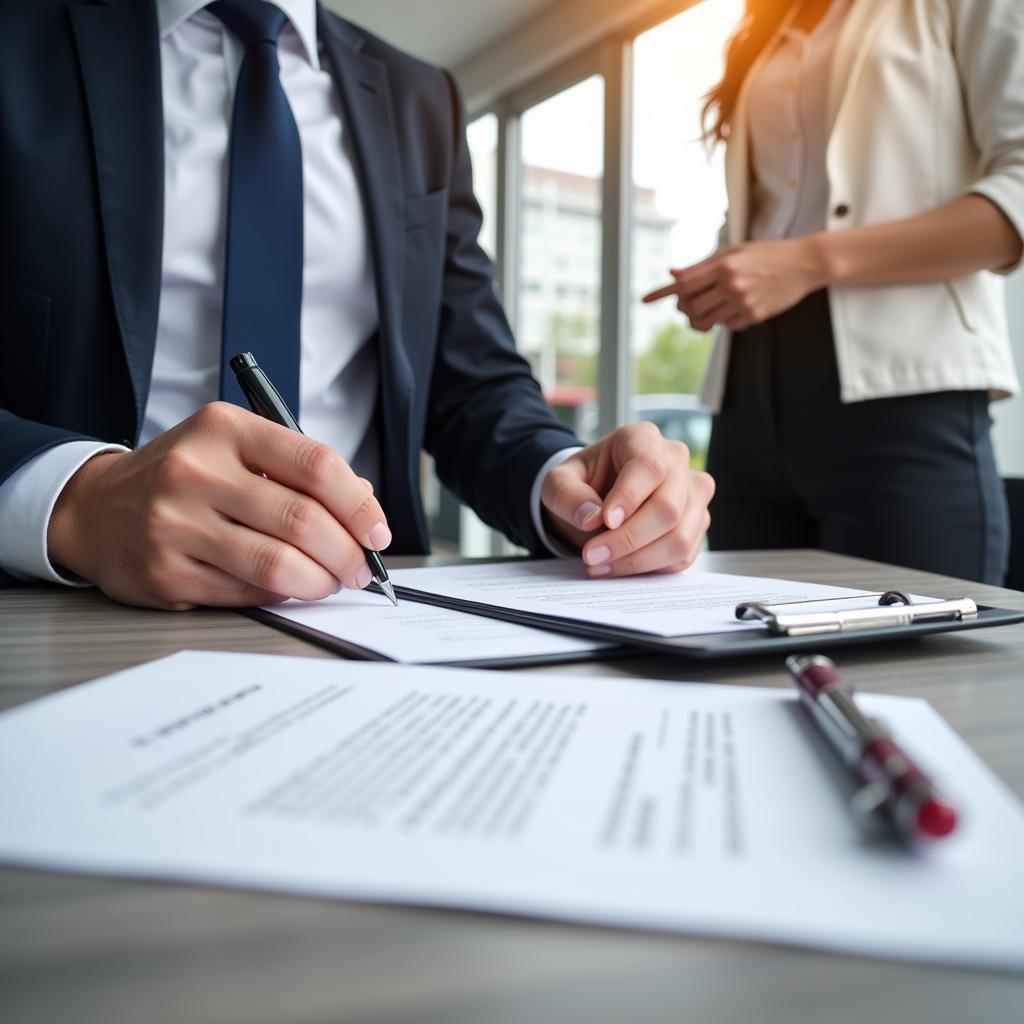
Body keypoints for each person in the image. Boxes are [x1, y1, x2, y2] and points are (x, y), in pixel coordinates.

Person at [0, 0, 714, 610]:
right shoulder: (19, 36)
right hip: (73, 610)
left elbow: (474, 384)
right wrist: (74, 501)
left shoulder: (419, 97)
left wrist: (568, 482)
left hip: (368, 608)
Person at [644, 0, 1023, 584]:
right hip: (747, 401)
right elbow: (776, 208)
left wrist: (807, 261)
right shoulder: (769, 26)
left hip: (902, 399)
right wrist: (726, 277)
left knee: (909, 665)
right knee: (748, 661)